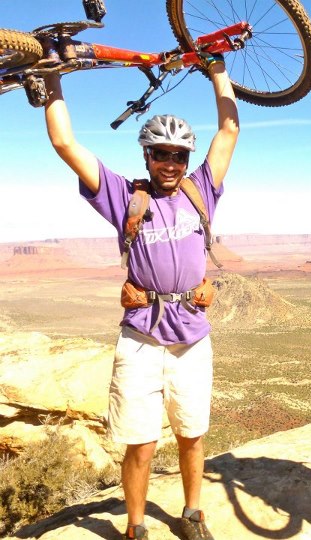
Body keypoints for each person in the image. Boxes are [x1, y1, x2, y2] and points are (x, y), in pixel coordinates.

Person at [42, 52, 239, 540]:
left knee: (192, 434)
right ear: (146, 156)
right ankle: (135, 527)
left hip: (192, 335)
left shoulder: (201, 191)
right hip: (142, 336)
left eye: (179, 155)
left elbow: (230, 131)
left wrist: (217, 71)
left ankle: (192, 515)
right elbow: (65, 143)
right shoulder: (125, 197)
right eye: (161, 153)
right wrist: (51, 78)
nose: (171, 163)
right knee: (142, 443)